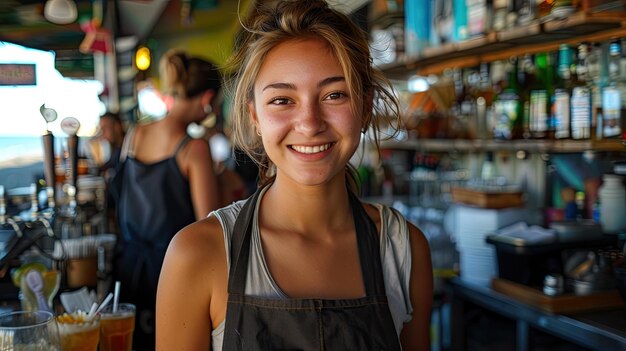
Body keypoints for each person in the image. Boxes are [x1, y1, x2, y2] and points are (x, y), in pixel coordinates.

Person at [156, 1, 433, 350]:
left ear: (365, 107)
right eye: (282, 100)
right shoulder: (197, 254)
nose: (310, 124)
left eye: (334, 94)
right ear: (254, 117)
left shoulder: (403, 250)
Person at [114, 49, 222, 350]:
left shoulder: (135, 133)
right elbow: (210, 224)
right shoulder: (194, 149)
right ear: (207, 99)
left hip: (128, 265)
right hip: (174, 271)